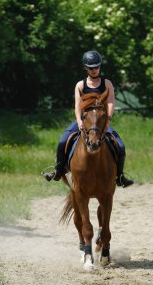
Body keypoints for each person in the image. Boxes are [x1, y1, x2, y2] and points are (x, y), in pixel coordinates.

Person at [43, 50, 134, 188]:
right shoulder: (80, 85)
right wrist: (79, 122)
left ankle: (120, 176)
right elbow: (78, 107)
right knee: (62, 142)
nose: (94, 70)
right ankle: (58, 171)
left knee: (120, 146)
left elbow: (110, 103)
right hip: (84, 121)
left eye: (97, 67)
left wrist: (108, 119)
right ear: (85, 67)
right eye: (91, 68)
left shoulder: (107, 84)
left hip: (102, 122)